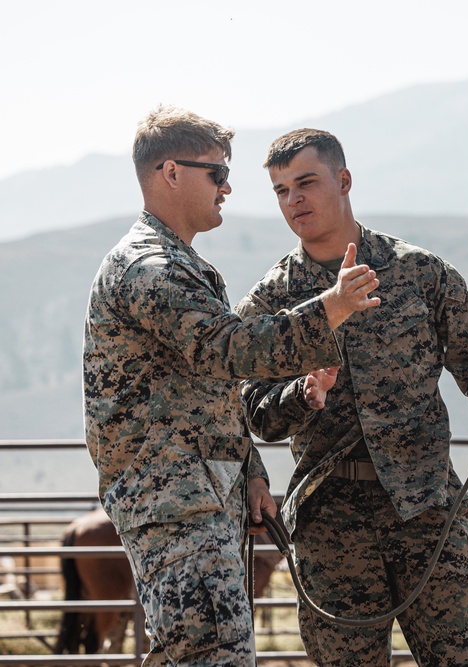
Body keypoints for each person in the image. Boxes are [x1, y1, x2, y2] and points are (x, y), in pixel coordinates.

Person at [237, 128, 468, 666]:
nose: (294, 201)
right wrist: (302, 395)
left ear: (343, 181)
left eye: (306, 183)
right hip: (330, 522)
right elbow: (254, 412)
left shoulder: (420, 272)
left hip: (427, 509)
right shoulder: (273, 301)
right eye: (281, 190)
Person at [82, 106, 380, 666]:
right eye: (216, 173)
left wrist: (250, 473)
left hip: (198, 494)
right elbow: (226, 349)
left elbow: (209, 394)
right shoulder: (150, 267)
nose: (227, 187)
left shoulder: (179, 264)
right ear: (171, 173)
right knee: (209, 651)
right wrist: (332, 308)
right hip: (174, 499)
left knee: (202, 651)